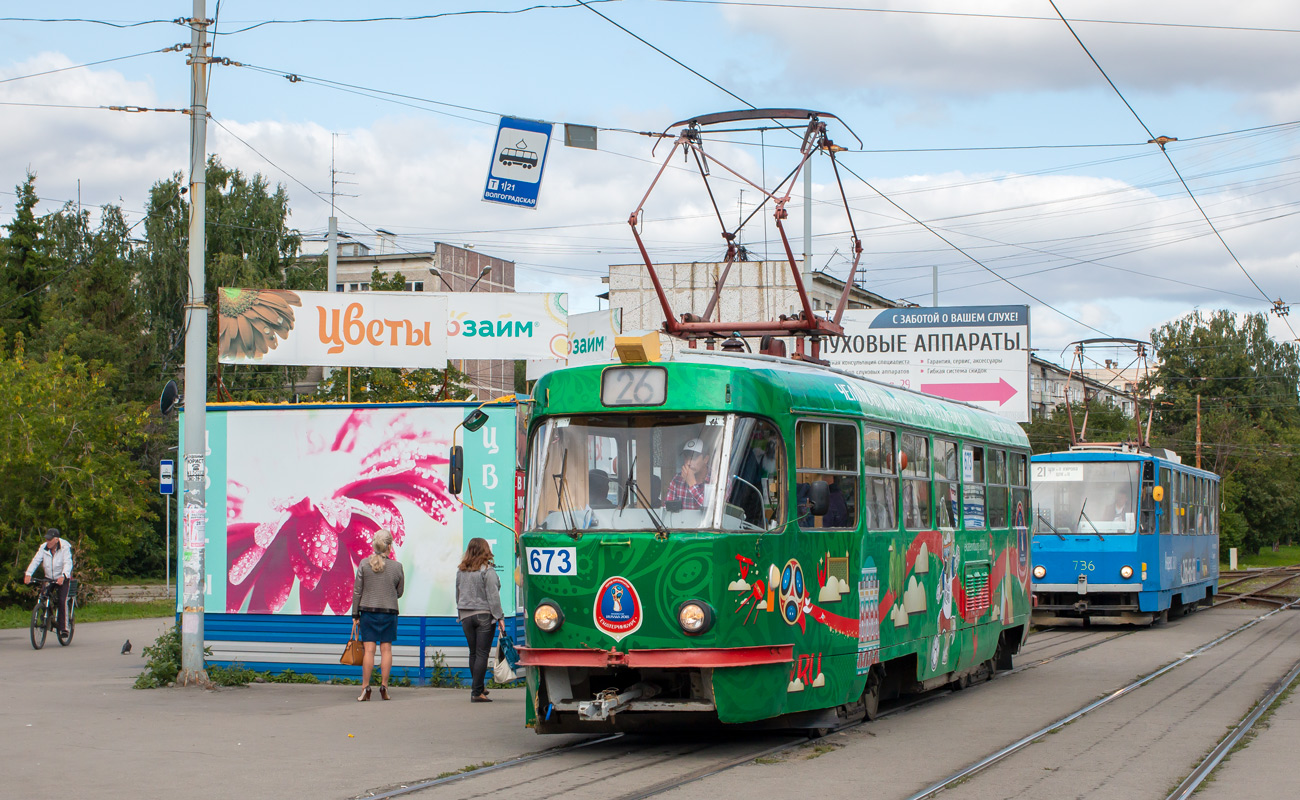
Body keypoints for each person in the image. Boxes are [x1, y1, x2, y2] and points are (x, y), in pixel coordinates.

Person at [350, 529, 404, 702]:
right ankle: (384, 687)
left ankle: (365, 688)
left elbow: (357, 591)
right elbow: (399, 592)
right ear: (389, 546)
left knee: (369, 651)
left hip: (368, 612)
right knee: (386, 649)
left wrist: (355, 613)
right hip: (389, 613)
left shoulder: (364, 564)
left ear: (374, 545)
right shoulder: (397, 567)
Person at [456, 538, 504, 703]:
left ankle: (479, 687)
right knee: (482, 653)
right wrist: (499, 617)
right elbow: (493, 596)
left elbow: (458, 594)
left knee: (473, 652)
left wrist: (461, 612)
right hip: (483, 614)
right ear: (485, 551)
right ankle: (476, 692)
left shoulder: (461, 571)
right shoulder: (488, 571)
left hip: (466, 615)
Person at [25, 528, 73, 636]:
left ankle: (64, 628)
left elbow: (68, 563)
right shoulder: (43, 547)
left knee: (62, 600)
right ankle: (46, 618)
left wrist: (63, 576)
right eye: (47, 539)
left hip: (62, 577)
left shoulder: (64, 547)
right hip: (49, 577)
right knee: (43, 596)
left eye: (50, 540)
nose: (48, 542)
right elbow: (36, 560)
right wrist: (28, 574)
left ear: (56, 539)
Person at [665, 438, 710, 510]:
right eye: (686, 457)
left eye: (693, 458)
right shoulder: (677, 479)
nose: (688, 463)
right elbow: (669, 510)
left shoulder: (718, 479)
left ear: (706, 459)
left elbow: (712, 510)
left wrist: (692, 485)